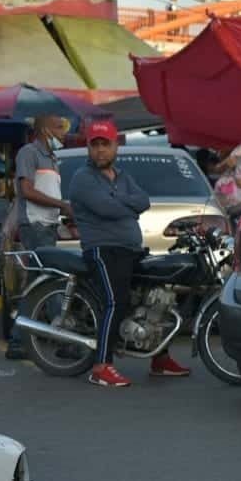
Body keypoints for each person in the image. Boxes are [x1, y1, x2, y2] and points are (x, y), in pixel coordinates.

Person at [70, 122, 191, 387]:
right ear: (89, 148)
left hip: (131, 250)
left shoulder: (123, 177)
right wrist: (126, 205)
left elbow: (143, 201)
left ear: (116, 146)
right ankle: (101, 366)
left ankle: (159, 360)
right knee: (116, 302)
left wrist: (119, 201)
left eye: (106, 144)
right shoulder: (83, 178)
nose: (101, 151)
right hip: (102, 250)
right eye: (95, 145)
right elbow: (106, 209)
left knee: (154, 300)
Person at [4, 114, 72, 359]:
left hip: (48, 226)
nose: (63, 133)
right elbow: (27, 190)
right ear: (44, 129)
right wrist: (61, 205)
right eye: (58, 127)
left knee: (39, 283)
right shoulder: (28, 153)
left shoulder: (52, 158)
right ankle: (62, 339)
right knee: (49, 279)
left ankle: (18, 340)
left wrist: (61, 211)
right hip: (35, 225)